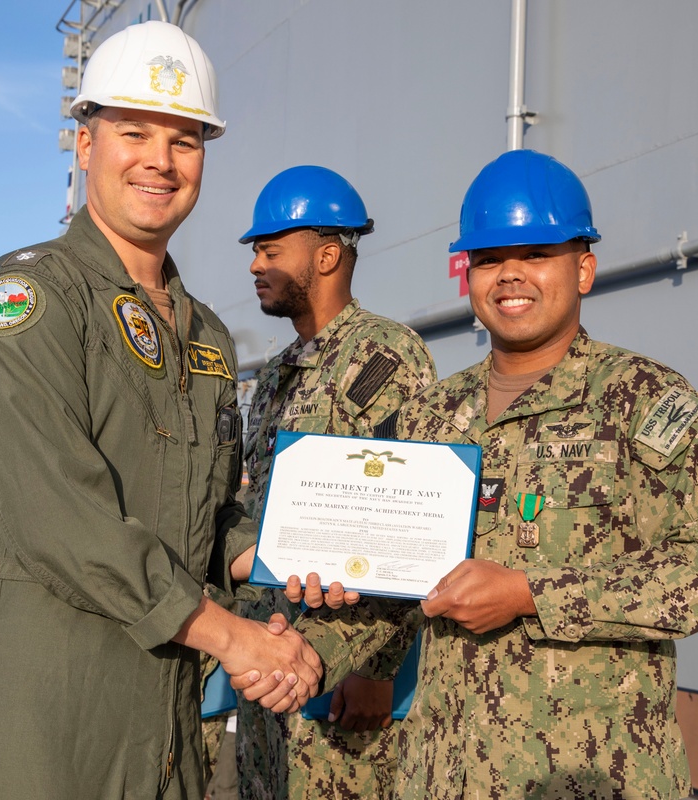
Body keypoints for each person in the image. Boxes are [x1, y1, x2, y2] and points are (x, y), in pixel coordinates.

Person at [240, 149, 698, 799]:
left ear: (584, 268)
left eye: (536, 253)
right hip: (441, 775)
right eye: (488, 259)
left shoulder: (644, 400)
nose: (510, 275)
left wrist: (530, 593)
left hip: (586, 777)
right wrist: (302, 656)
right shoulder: (431, 415)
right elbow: (394, 592)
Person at [0, 21, 321, 800]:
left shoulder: (202, 329)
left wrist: (300, 555)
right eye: (133, 131)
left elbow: (205, 513)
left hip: (162, 715)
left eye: (184, 140)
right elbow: (59, 517)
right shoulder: (26, 300)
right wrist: (233, 638)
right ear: (84, 143)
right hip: (39, 709)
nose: (159, 160)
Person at [235, 166, 437, 799]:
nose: (254, 266)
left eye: (270, 250)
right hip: (271, 665)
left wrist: (380, 669)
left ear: (325, 255)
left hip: (345, 687)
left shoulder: (386, 357)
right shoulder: (274, 376)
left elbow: (413, 526)